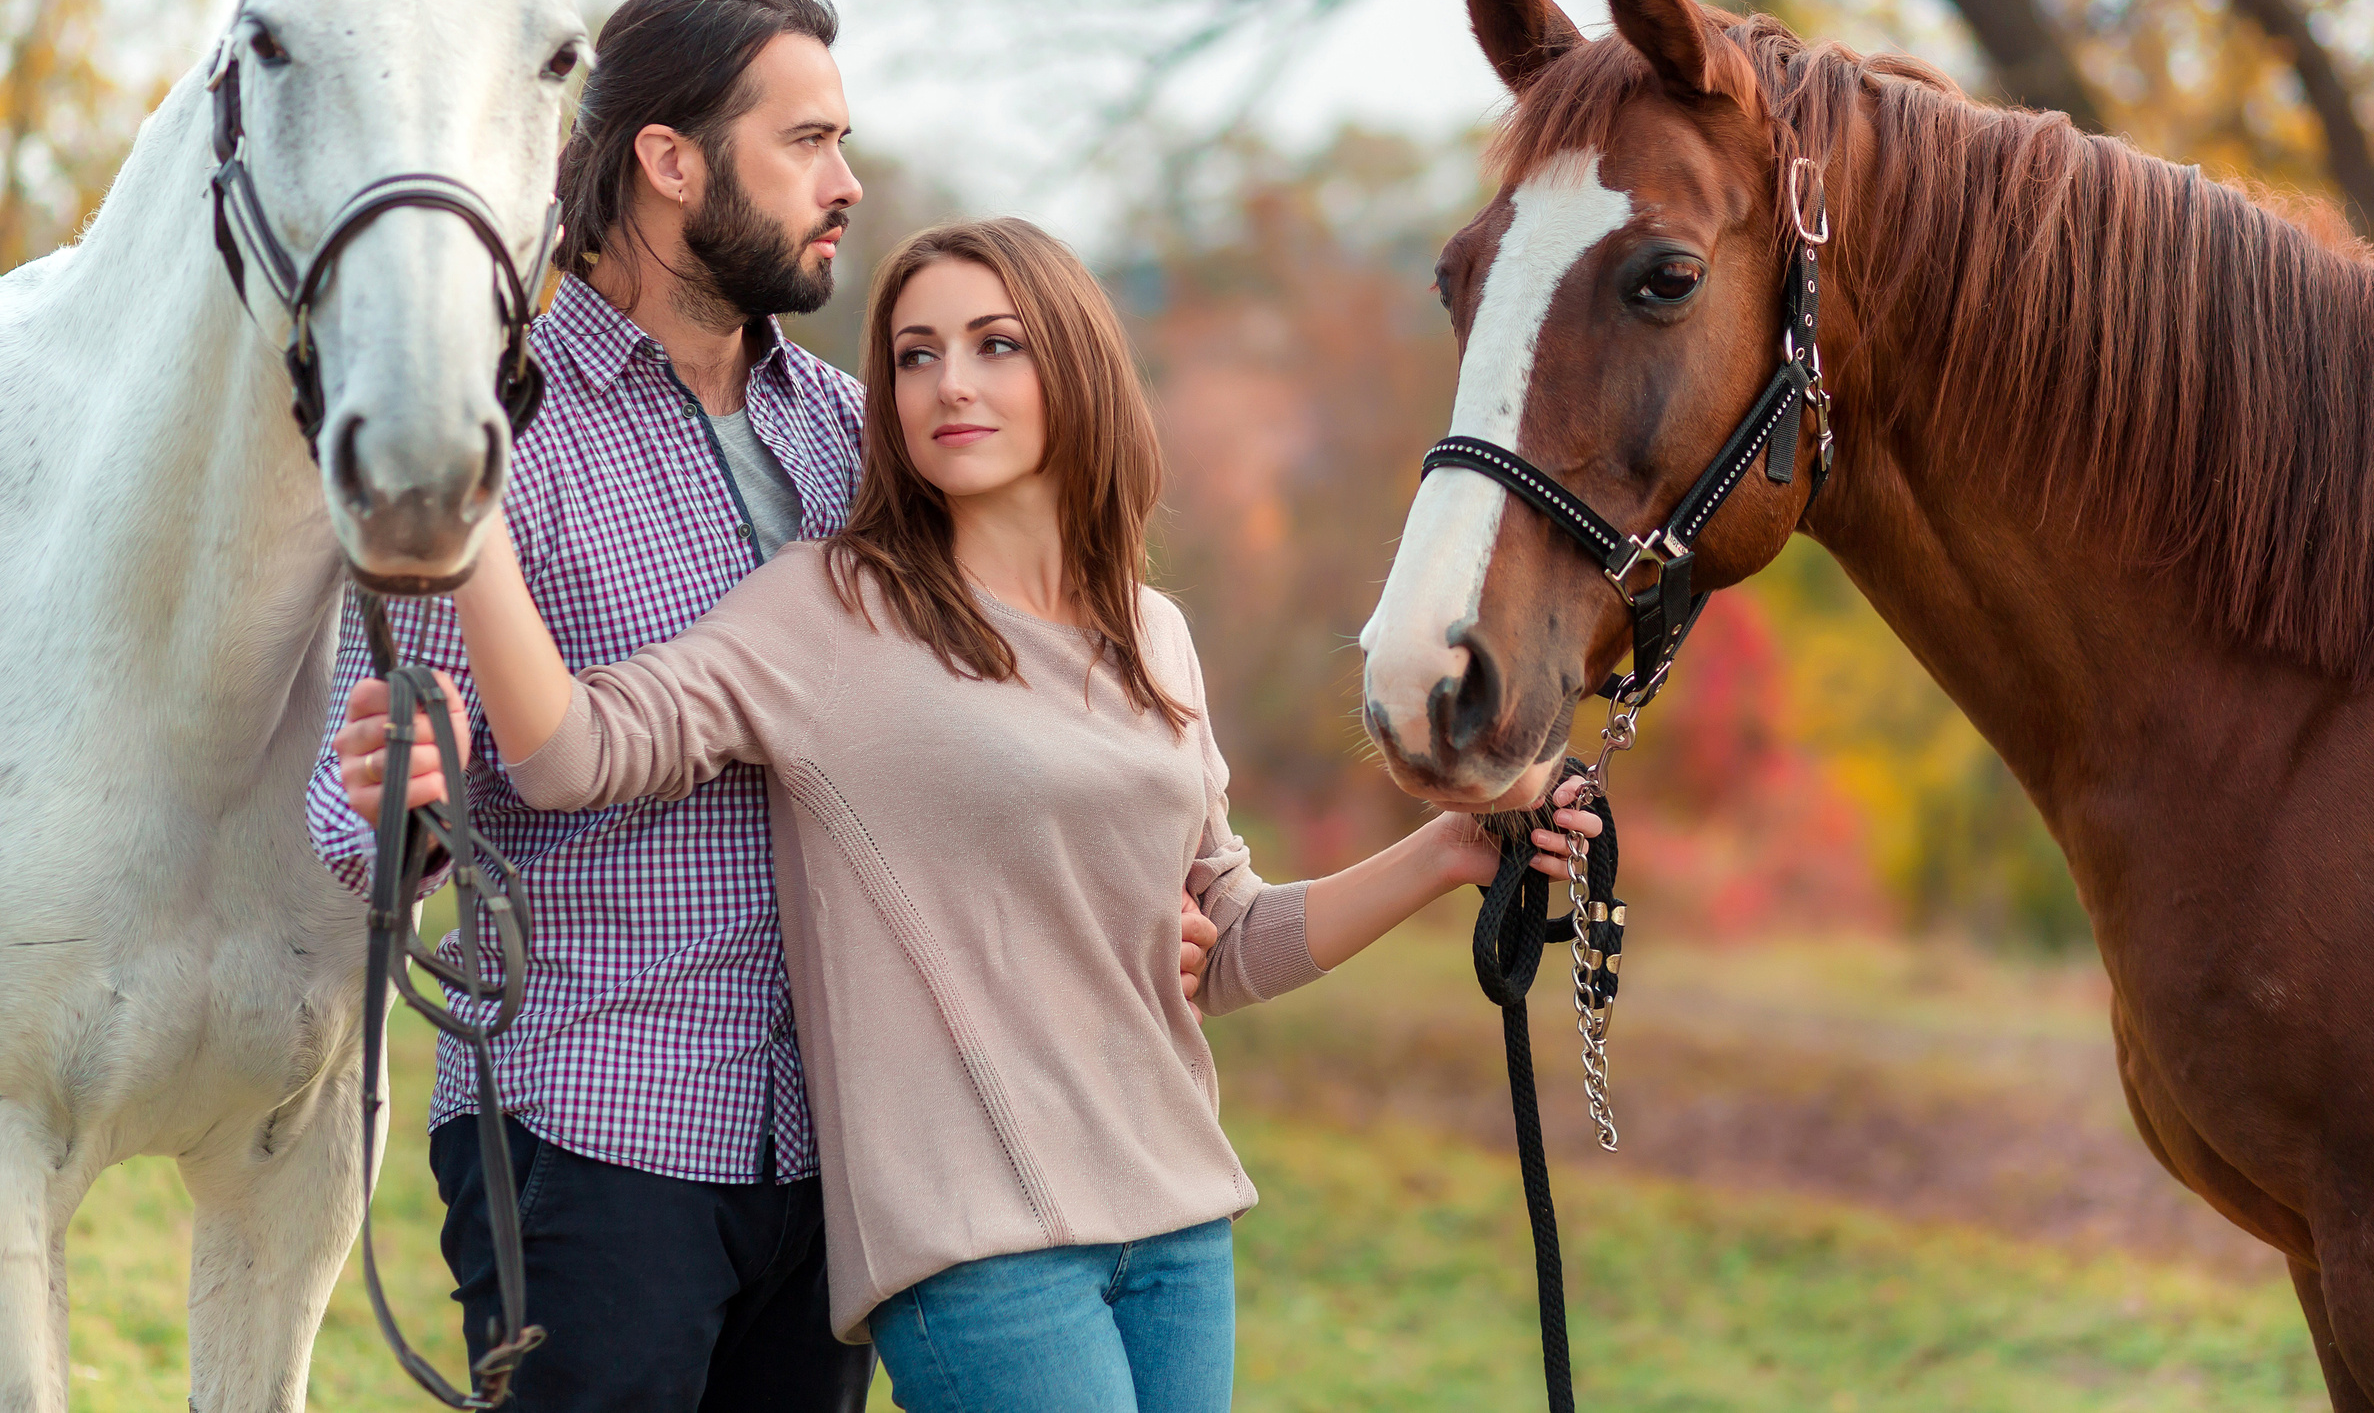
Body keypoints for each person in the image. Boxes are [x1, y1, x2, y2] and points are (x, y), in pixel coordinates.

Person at [333, 217, 1598, 1412]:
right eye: (915, 356)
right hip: (976, 1244)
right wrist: (471, 523)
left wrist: (1449, 850)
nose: (951, 384)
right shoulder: (834, 610)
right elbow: (569, 752)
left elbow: (1232, 934)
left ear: (1076, 370)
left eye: (997, 345)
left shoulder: (1152, 635)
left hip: (1174, 1219)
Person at [305, 0, 1219, 1412]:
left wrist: (1114, 901)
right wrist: (420, 788)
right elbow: (355, 820)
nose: (845, 184)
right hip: (605, 1134)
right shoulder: (496, 434)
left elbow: (1008, 710)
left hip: (847, 1160)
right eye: (806, 141)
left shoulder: (860, 436)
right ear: (672, 161)